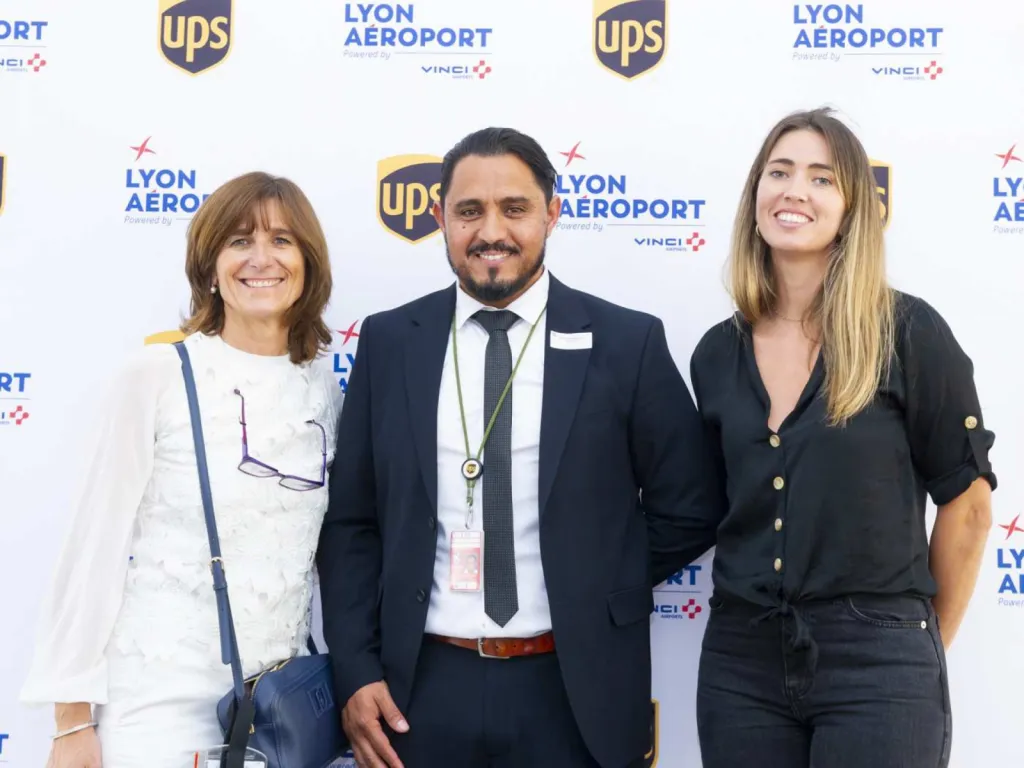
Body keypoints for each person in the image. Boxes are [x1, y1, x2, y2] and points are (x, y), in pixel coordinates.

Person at [316, 127, 721, 768]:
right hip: (418, 693)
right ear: (439, 218)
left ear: (552, 214)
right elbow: (352, 524)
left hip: (573, 689)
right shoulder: (393, 342)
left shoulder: (626, 342)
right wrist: (356, 671)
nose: (491, 231)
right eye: (469, 211)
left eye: (515, 208)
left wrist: (592, 575)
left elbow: (692, 505)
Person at [689, 107, 997, 768]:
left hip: (879, 661)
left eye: (821, 178)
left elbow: (968, 507)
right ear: (756, 197)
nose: (795, 190)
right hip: (740, 663)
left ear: (853, 208)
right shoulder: (715, 354)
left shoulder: (908, 333)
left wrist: (916, 654)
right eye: (780, 172)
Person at [20, 172, 342, 768]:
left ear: (308, 261)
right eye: (239, 241)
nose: (261, 259)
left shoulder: (324, 390)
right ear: (210, 265)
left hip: (280, 708)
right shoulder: (157, 375)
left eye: (282, 240)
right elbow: (93, 551)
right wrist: (70, 724)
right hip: (159, 705)